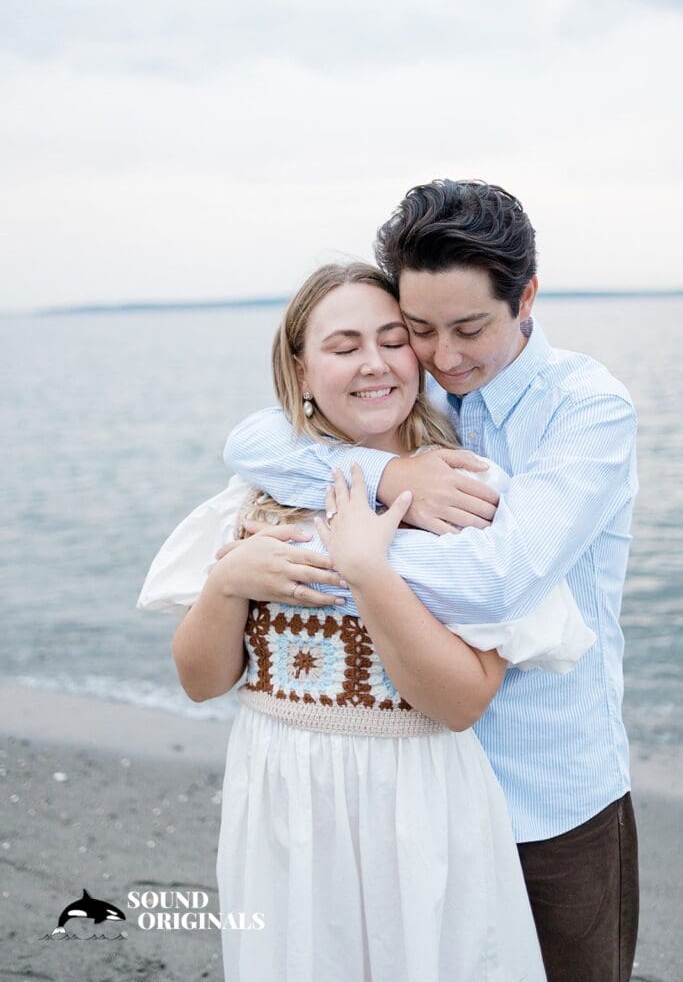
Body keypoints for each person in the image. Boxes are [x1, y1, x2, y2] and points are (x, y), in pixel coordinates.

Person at [223, 181, 640, 982]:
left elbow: (497, 581)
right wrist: (385, 473)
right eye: (420, 330)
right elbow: (250, 440)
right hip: (410, 792)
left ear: (526, 297)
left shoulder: (588, 410)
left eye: (469, 328)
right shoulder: (412, 401)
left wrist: (337, 549)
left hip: (543, 795)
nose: (444, 357)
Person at [138, 262, 596, 981]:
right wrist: (226, 583)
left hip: (416, 806)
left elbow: (459, 704)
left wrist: (369, 572)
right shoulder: (256, 496)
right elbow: (201, 682)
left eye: (393, 339)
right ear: (300, 364)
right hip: (279, 799)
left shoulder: (462, 495)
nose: (374, 364)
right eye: (344, 345)